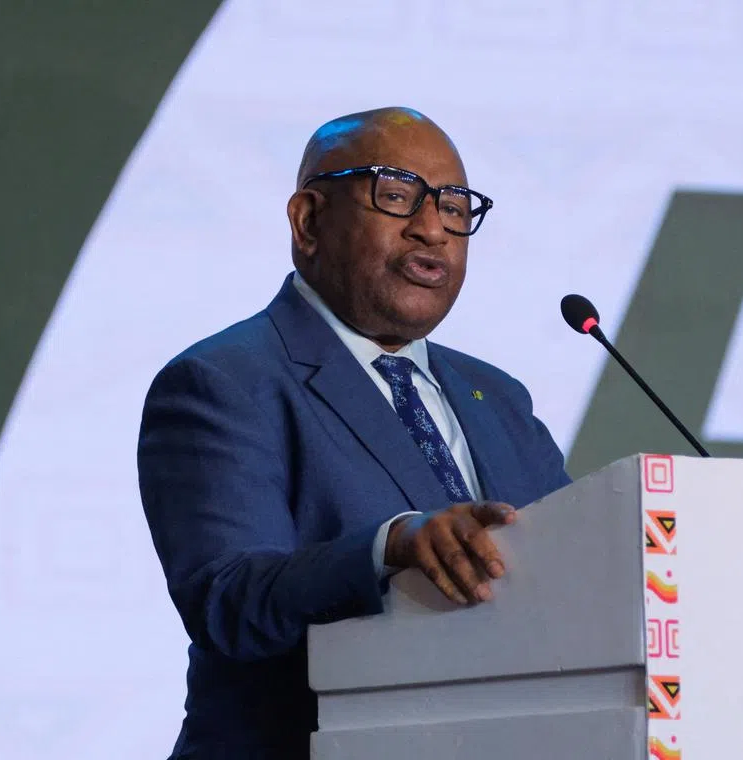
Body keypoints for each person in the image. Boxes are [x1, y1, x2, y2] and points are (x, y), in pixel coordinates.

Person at [137, 107, 572, 760]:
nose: (433, 228)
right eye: (396, 195)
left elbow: (576, 575)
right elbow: (229, 601)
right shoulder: (222, 381)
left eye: (454, 207)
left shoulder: (499, 398)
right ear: (309, 220)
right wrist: (391, 545)